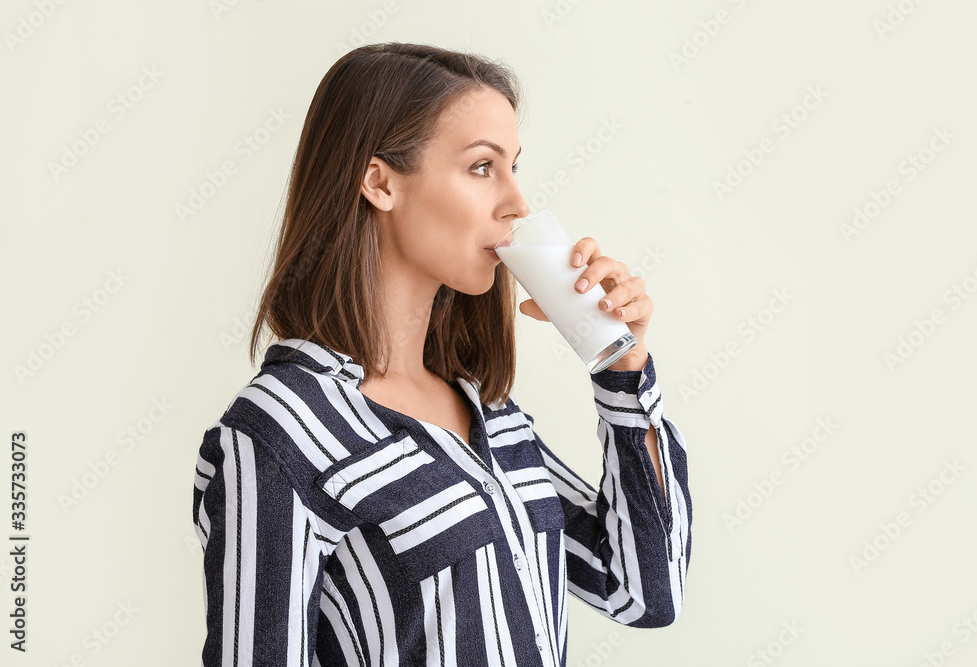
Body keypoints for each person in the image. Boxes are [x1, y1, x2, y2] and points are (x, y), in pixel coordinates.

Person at [192, 42, 691, 666]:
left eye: (513, 167)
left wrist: (625, 368)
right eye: (483, 167)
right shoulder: (280, 433)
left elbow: (646, 591)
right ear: (380, 182)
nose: (517, 203)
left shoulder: (492, 413)